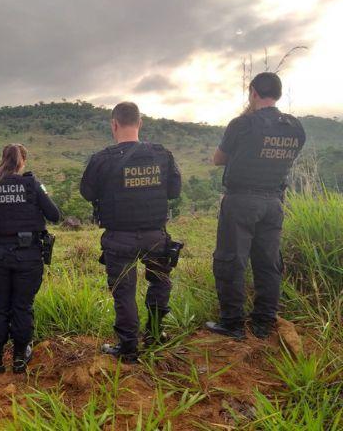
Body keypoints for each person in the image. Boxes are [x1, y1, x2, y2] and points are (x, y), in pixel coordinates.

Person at [206, 72, 306, 340]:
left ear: (252, 92)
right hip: (274, 202)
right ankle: (263, 323)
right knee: (268, 263)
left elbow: (218, 159)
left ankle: (233, 323)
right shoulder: (295, 128)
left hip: (241, 201)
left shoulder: (241, 124)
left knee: (231, 260)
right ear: (278, 94)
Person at [80, 102, 182, 362]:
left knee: (124, 292)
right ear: (140, 123)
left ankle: (128, 349)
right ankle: (156, 335)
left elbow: (87, 193)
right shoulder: (162, 155)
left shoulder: (101, 159)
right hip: (155, 236)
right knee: (160, 283)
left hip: (119, 238)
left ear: (114, 124)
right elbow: (174, 192)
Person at [0, 144, 60, 374]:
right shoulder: (32, 185)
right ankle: (19, 357)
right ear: (22, 161)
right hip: (28, 257)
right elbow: (55, 216)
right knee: (22, 306)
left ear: (3, 159)